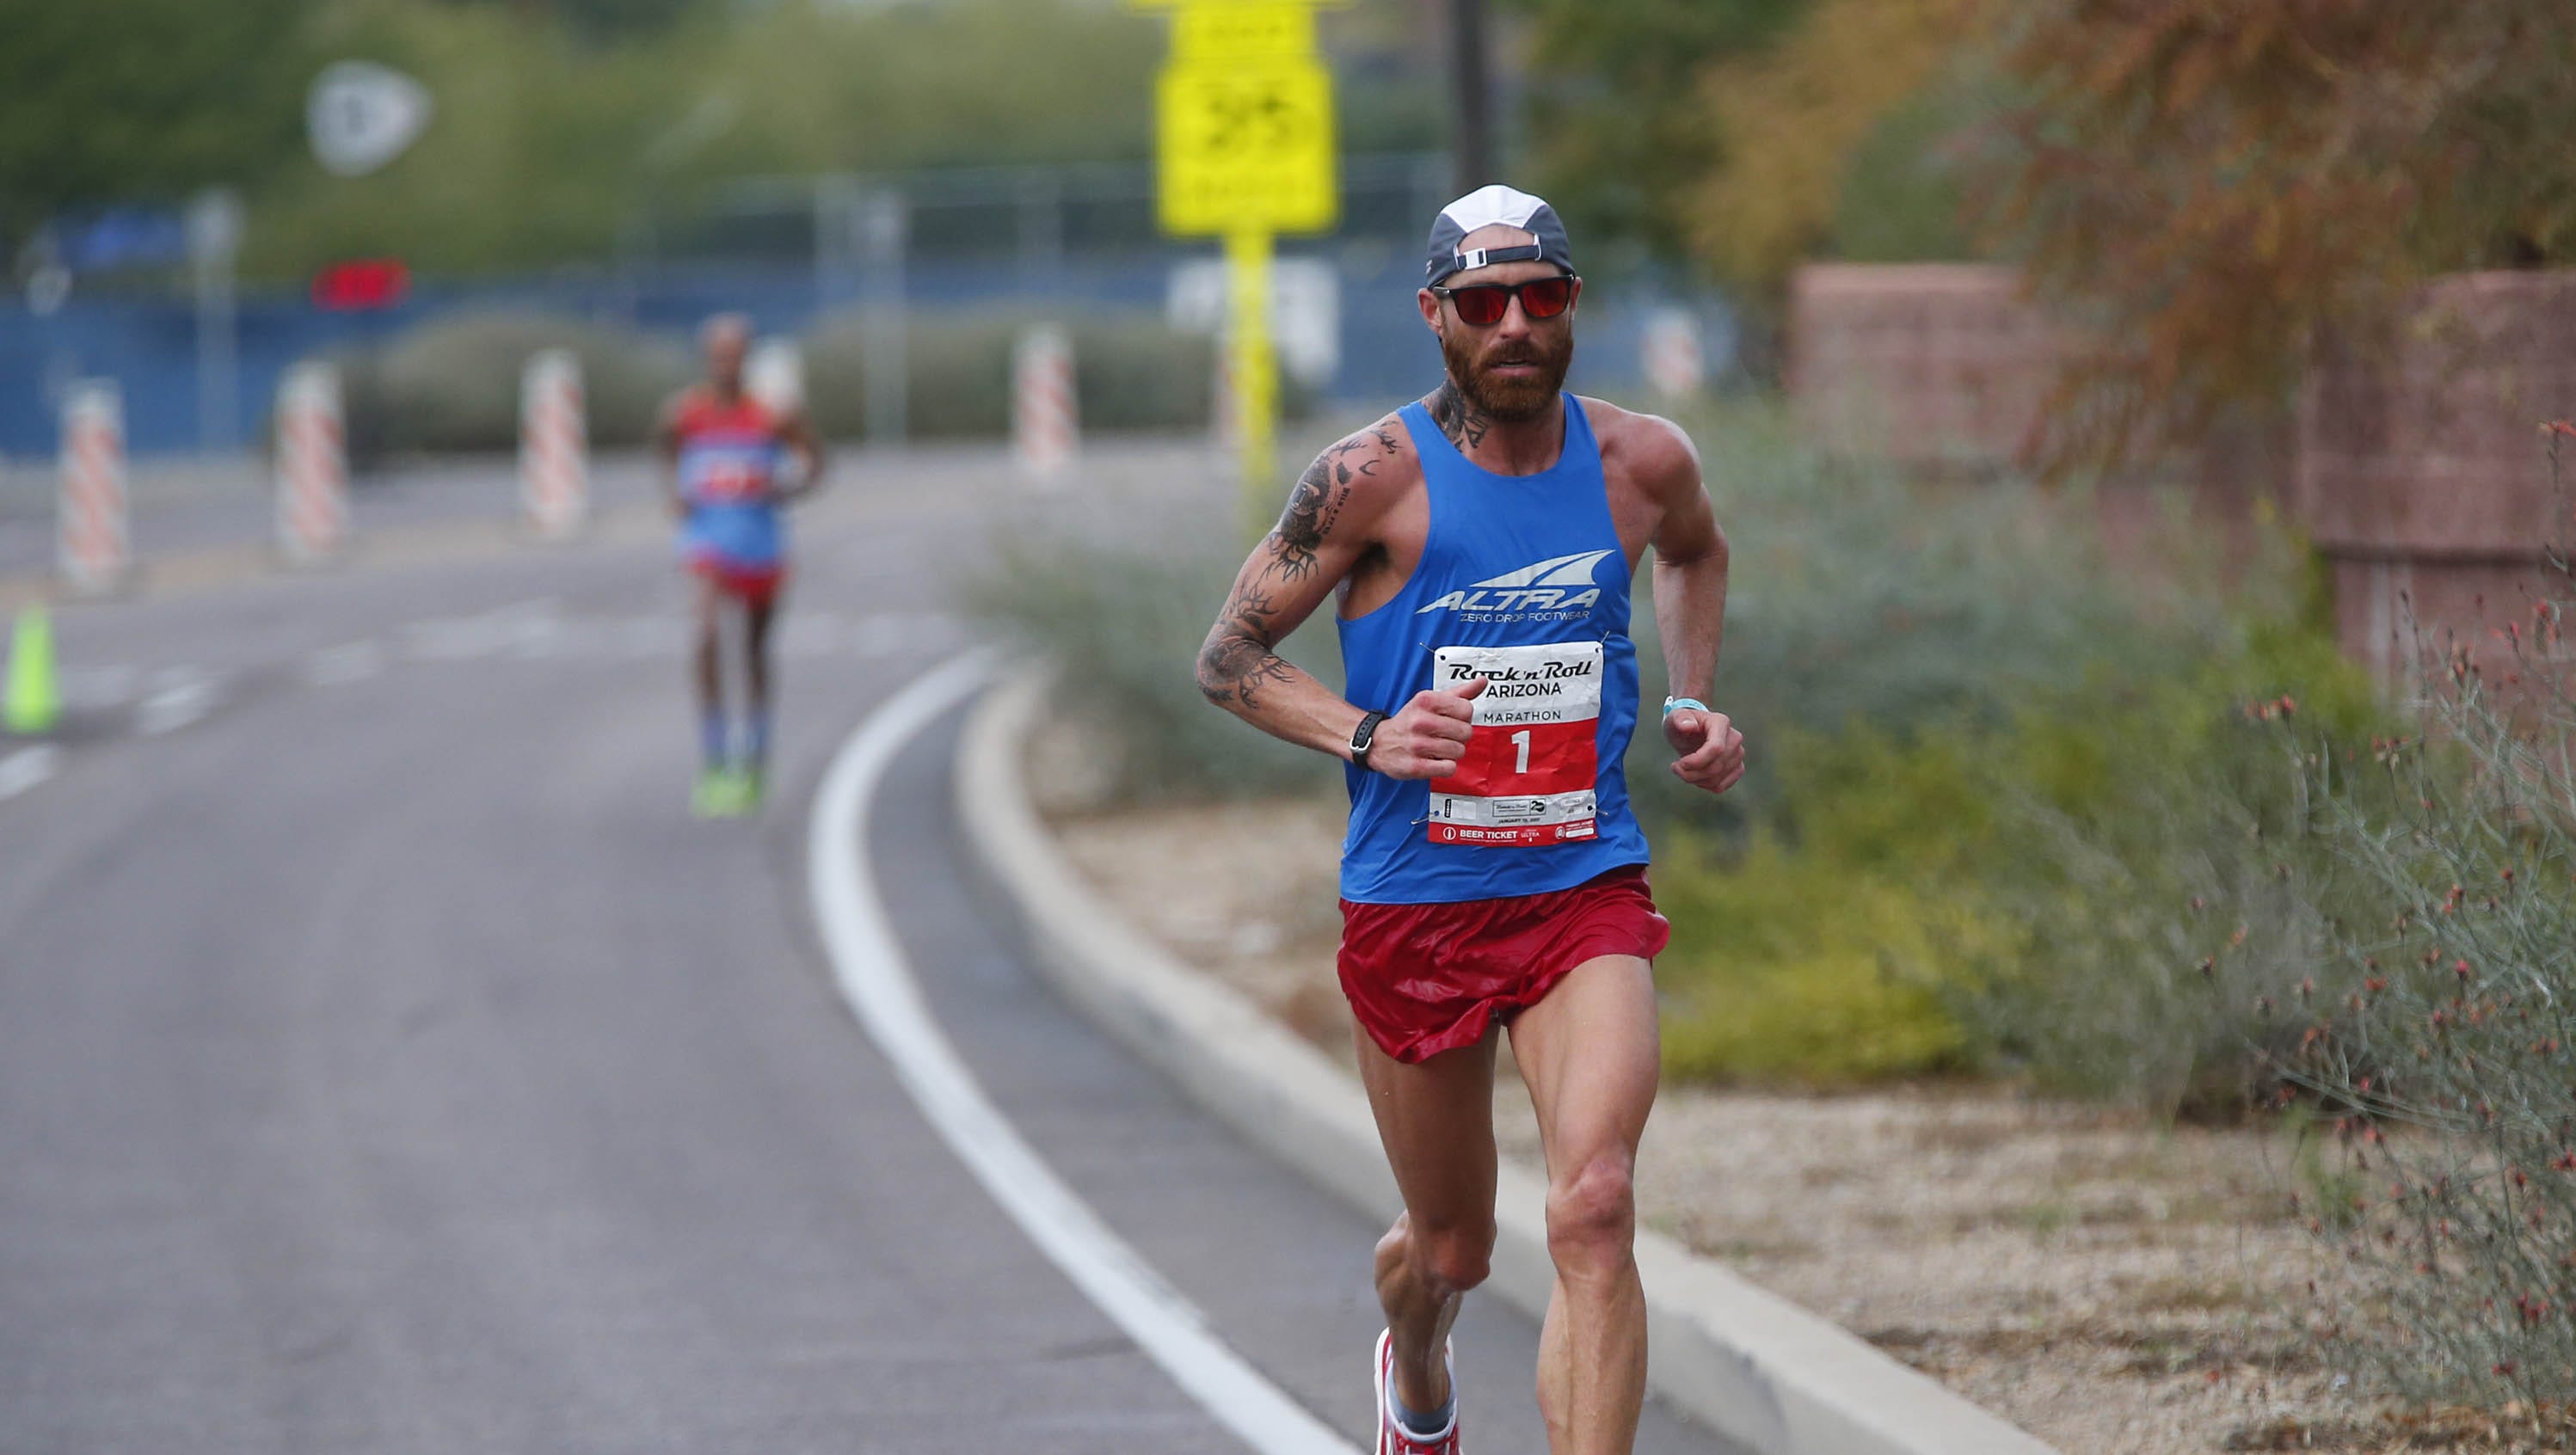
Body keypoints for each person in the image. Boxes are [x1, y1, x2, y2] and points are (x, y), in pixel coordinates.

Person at [1195, 186, 1744, 1455]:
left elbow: (1693, 551)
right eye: (1481, 302)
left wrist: (1695, 697)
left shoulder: (1640, 463)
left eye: (1537, 297)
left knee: (1594, 1206)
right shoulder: (1367, 478)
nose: (1512, 324)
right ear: (1435, 315)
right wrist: (1366, 735)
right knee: (1452, 1247)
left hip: (1577, 884)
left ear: (1570, 308)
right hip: (1413, 900)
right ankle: (1418, 1360)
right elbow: (1226, 657)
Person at [656, 314, 825, 817]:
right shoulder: (685, 412)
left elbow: (815, 464)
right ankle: (714, 756)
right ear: (706, 358)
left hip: (759, 542)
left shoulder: (772, 414)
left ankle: (754, 754)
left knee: (753, 650)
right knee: (706, 632)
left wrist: (784, 489)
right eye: (717, 355)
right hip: (707, 538)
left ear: (747, 358)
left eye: (734, 355)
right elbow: (666, 452)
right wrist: (676, 495)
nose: (725, 364)